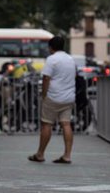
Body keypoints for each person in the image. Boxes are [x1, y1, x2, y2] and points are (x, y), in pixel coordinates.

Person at [28, 36, 77, 164]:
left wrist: (44, 95)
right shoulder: (71, 59)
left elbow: (46, 79)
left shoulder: (51, 59)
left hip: (53, 96)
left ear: (51, 47)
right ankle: (67, 156)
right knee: (66, 124)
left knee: (47, 124)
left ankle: (40, 154)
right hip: (69, 97)